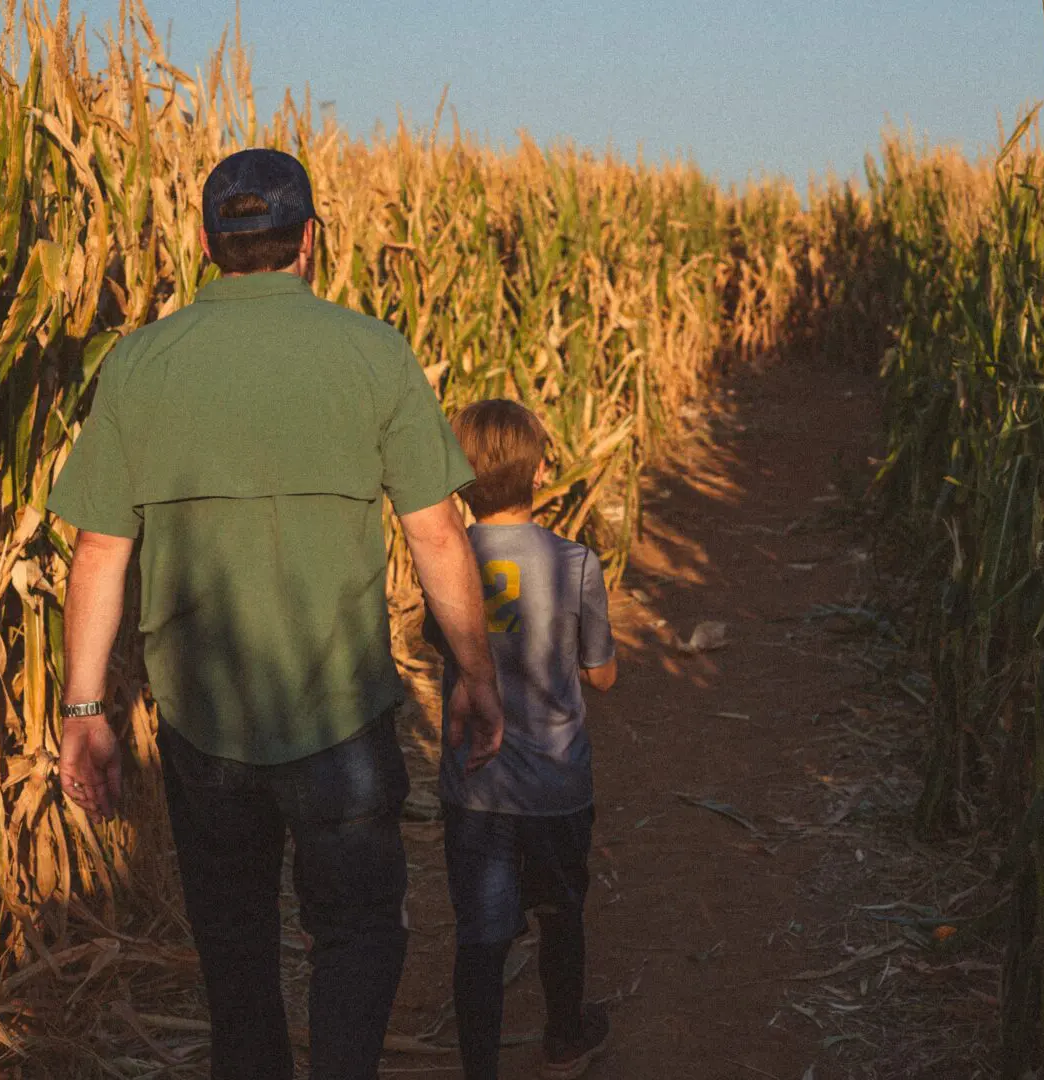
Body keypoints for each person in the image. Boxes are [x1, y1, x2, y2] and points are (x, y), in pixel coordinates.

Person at [47, 147, 508, 1080]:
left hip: (202, 728)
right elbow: (441, 537)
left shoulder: (140, 364)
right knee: (360, 926)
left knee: (234, 940)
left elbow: (100, 550)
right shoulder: (372, 352)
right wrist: (476, 678)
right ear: (309, 241)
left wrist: (84, 713)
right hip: (340, 719)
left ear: (210, 243)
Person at [429, 400, 618, 1080]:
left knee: (480, 936)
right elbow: (600, 675)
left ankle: (480, 1066)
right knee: (562, 913)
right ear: (540, 472)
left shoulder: (446, 563)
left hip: (476, 787)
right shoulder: (574, 563)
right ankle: (564, 1037)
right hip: (558, 785)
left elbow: (444, 648)